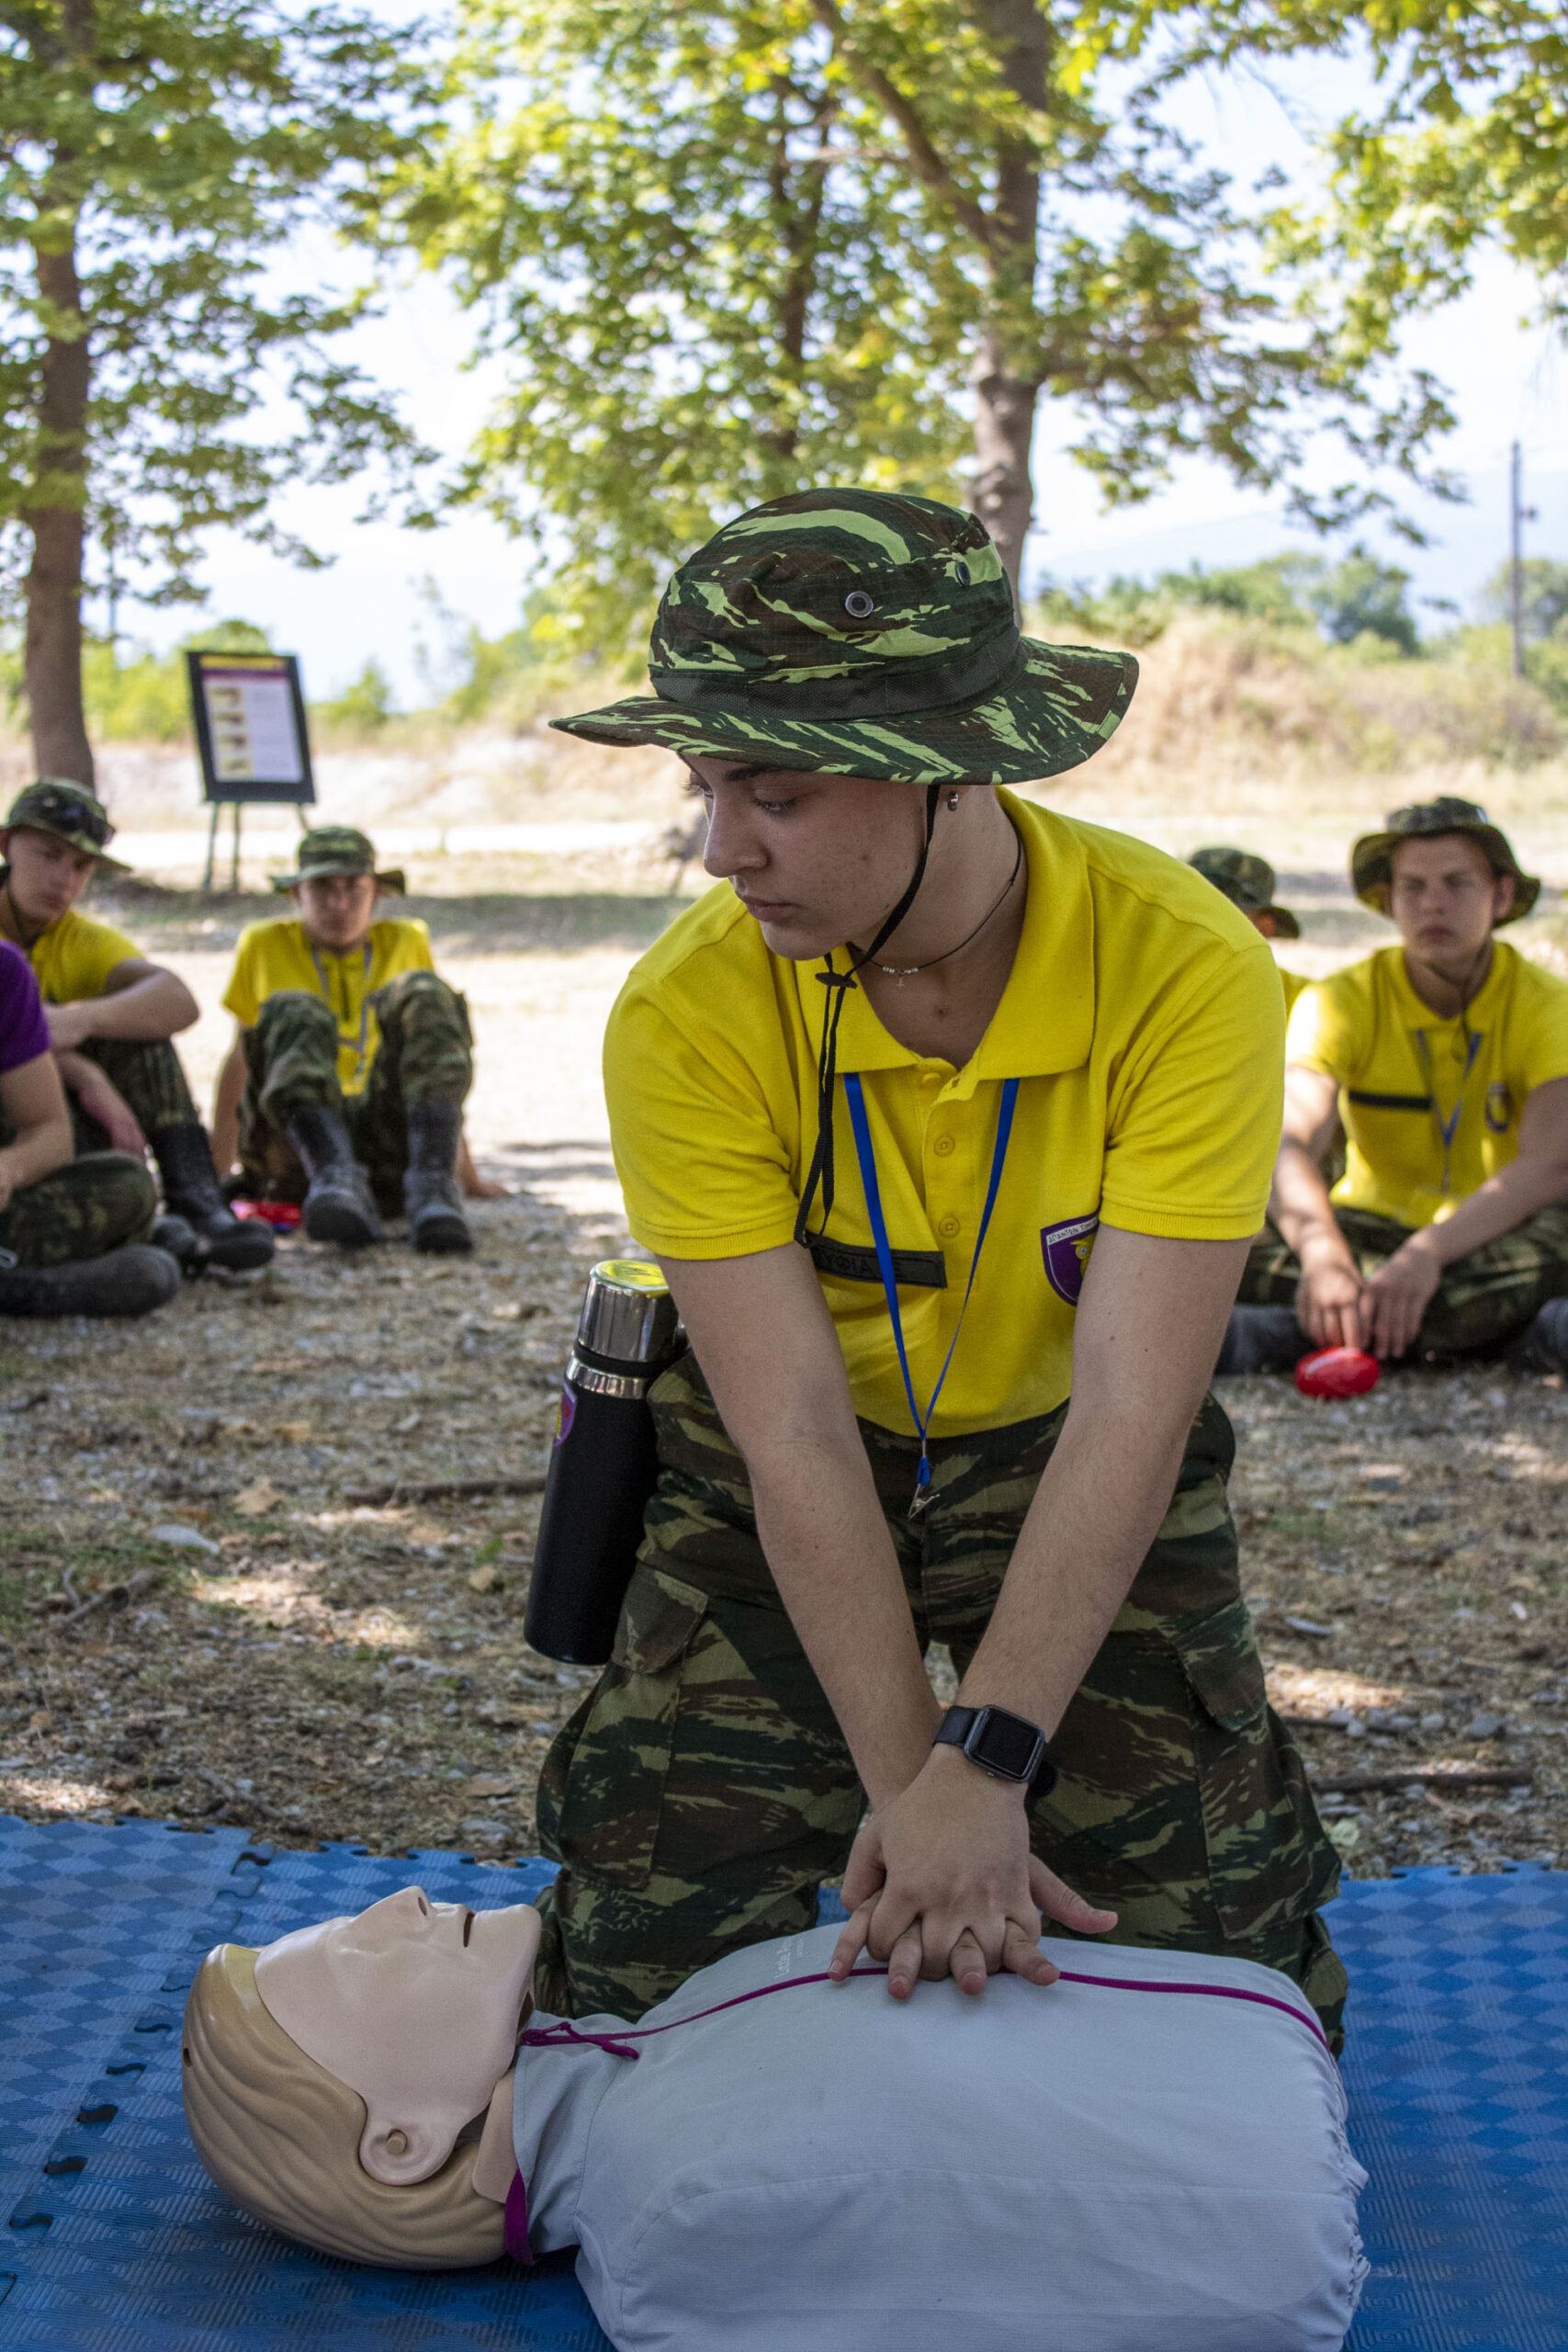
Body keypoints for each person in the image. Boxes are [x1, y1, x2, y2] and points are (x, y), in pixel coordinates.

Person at [528, 487, 1344, 2048]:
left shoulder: (1182, 968)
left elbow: (1131, 1406)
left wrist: (991, 1757)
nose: (722, 850)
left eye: (772, 792)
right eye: (706, 787)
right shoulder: (686, 1012)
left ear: (945, 768)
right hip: (785, 1478)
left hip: (1067, 1456)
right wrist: (925, 1804)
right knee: (635, 1976)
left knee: (1226, 1983)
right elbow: (790, 1432)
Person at [182, 1884, 1367, 2349]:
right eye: (353, 1960)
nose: (394, 1900)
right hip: (1273, 2171)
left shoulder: (660, 2065)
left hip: (1264, 2083)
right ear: (402, 2142)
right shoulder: (670, 2215)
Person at [1224, 797, 1568, 1374]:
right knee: (1217, 1234)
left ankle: (1291, 1334)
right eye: (1412, 887)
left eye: (1457, 883)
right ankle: (1517, 1334)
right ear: (1388, 900)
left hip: (1495, 1233)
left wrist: (1426, 1256)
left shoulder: (1550, 1007)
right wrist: (1323, 1256)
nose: (1433, 903)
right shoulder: (1340, 1001)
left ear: (1502, 895)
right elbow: (1285, 1144)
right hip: (1364, 1232)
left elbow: (1549, 1166)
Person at [0, 779, 271, 1273]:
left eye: (81, 866)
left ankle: (196, 1199)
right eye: (49, 855)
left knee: (143, 1035)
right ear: (6, 845)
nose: (63, 878)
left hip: (48, 1133)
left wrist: (81, 1019)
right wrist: (84, 1071)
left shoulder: (79, 940)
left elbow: (177, 1000)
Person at [212, 826, 500, 1253]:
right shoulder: (262, 944)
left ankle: (434, 1189)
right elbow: (241, 1061)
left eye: (354, 888)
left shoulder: (407, 939)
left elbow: (431, 1058)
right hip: (295, 1148)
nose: (339, 903)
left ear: (376, 894)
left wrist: (467, 1176)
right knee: (294, 1007)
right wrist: (214, 1176)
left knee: (426, 993)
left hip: (381, 1137)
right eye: (322, 888)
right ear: (297, 894)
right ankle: (334, 1180)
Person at [0, 935, 180, 1316]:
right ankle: (22, 1288)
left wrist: (10, 1167)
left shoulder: (5, 972)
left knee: (128, 1186)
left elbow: (51, 1133)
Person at [1188, 847, 1311, 1012]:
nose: (1201, 930)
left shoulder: (1303, 1002)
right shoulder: (1163, 986)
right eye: (1191, 915)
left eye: (1222, 919)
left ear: (1263, 929)